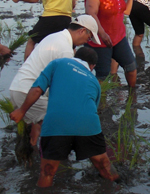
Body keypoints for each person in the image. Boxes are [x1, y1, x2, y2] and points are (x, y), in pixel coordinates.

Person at [9, 47, 119, 188]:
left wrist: (22, 111)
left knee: (47, 172)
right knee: (104, 165)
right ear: (92, 66)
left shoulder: (57, 63)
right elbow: (92, 108)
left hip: (56, 125)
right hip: (87, 124)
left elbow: (37, 89)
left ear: (75, 56)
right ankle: (118, 189)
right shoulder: (94, 80)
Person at [9, 15, 101, 147]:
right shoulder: (65, 50)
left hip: (20, 87)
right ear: (82, 31)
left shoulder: (55, 36)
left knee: (41, 124)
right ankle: (46, 160)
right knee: (60, 123)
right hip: (28, 92)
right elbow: (63, 88)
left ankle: (31, 151)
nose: (86, 42)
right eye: (89, 37)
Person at [85, 0, 143, 87]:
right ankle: (101, 104)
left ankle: (132, 95)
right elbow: (91, 13)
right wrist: (102, 34)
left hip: (118, 38)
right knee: (103, 75)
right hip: (100, 41)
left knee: (131, 67)